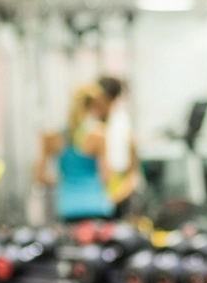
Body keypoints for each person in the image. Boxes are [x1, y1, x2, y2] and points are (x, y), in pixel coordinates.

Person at [39, 83, 133, 223]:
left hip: (68, 207)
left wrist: (66, 180)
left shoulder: (51, 137)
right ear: (93, 107)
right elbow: (106, 177)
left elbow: (40, 176)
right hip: (97, 206)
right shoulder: (98, 135)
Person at [97, 76, 140, 217]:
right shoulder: (89, 127)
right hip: (94, 198)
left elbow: (132, 171)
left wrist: (117, 196)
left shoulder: (122, 124)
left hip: (118, 196)